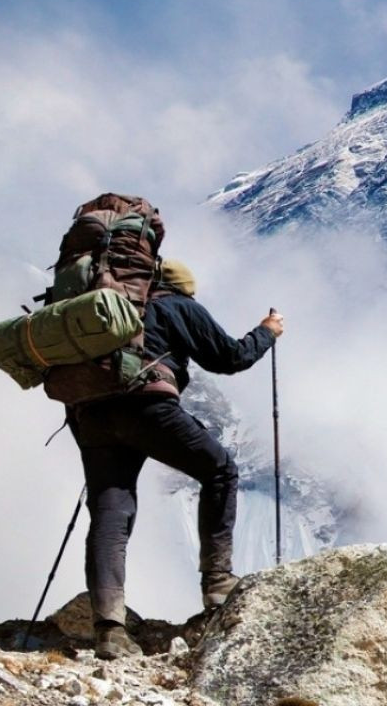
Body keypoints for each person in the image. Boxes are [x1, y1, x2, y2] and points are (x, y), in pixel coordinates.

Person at [68, 259, 284, 659]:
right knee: (219, 469)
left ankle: (109, 629)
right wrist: (267, 333)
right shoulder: (178, 305)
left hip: (90, 412)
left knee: (110, 510)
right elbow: (230, 358)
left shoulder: (103, 310)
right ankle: (218, 582)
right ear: (183, 288)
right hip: (148, 406)